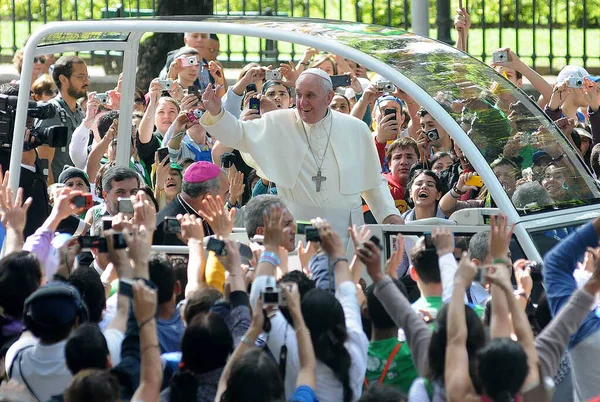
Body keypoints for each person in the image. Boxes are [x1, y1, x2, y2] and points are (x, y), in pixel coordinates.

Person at [200, 68, 403, 245]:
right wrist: (217, 112)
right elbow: (239, 134)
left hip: (348, 233)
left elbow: (373, 182)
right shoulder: (278, 122)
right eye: (298, 95)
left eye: (310, 95)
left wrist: (389, 214)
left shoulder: (356, 129)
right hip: (296, 234)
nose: (302, 103)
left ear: (329, 97)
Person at [6, 282, 88, 402]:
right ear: (77, 321)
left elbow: (26, 337)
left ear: (30, 324)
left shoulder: (15, 357)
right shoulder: (88, 364)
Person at [35, 56, 88, 182]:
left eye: (87, 76)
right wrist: (53, 197)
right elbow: (44, 165)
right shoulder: (51, 112)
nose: (86, 81)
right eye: (80, 76)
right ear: (63, 79)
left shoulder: (80, 112)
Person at [154, 161, 229, 245]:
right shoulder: (171, 226)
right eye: (226, 193)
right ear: (208, 198)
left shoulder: (207, 213)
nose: (228, 199)